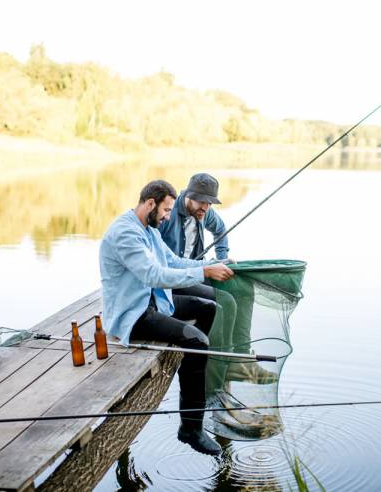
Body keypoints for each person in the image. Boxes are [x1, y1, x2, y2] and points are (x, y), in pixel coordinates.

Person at [99, 179, 233, 455]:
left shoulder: (149, 229)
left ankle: (190, 369)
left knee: (207, 307)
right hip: (132, 314)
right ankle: (191, 428)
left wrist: (210, 264)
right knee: (197, 341)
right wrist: (205, 273)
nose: (168, 216)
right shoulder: (126, 233)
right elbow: (153, 275)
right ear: (150, 203)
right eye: (166, 210)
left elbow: (172, 262)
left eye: (171, 211)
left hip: (154, 303)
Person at [160, 173, 276, 386]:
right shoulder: (167, 216)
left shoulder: (204, 213)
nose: (205, 206)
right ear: (189, 196)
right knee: (225, 300)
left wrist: (221, 260)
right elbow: (163, 263)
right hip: (176, 280)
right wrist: (207, 267)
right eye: (201, 201)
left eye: (210, 202)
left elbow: (220, 230)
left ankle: (242, 359)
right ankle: (224, 362)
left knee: (243, 287)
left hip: (198, 271)